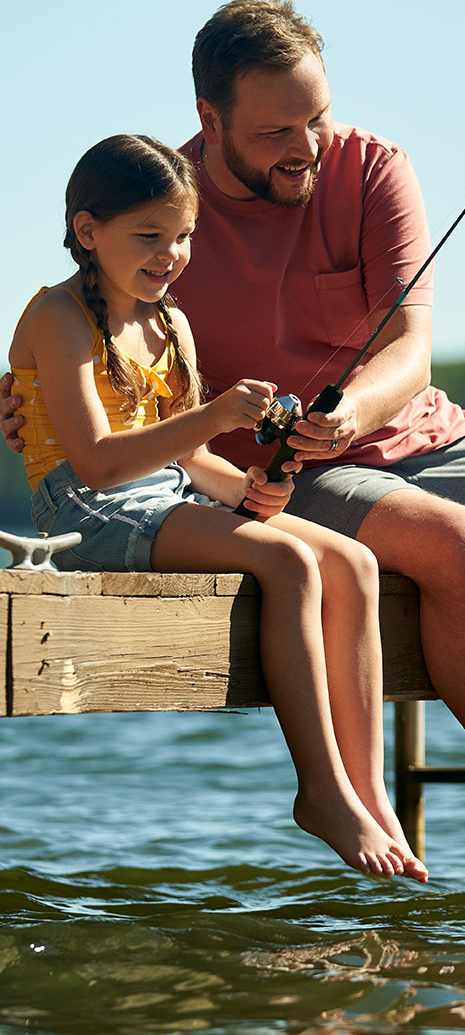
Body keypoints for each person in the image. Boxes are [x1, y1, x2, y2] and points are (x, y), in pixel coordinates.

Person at [1, 0, 465, 901]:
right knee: (458, 548)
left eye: (317, 117)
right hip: (288, 471)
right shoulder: (165, 208)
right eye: (277, 130)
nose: (307, 145)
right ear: (210, 123)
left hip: (419, 435)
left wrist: (353, 408)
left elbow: (411, 351)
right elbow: (86, 339)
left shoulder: (372, 170)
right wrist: (31, 399)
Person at [4, 133, 427, 884]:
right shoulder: (57, 317)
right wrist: (218, 415)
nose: (170, 255)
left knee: (353, 562)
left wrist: (247, 491)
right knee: (290, 560)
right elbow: (97, 462)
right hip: (86, 512)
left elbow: (191, 463)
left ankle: (367, 790)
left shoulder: (170, 323)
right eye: (149, 236)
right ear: (87, 230)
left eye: (184, 237)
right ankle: (322, 790)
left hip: (161, 497)